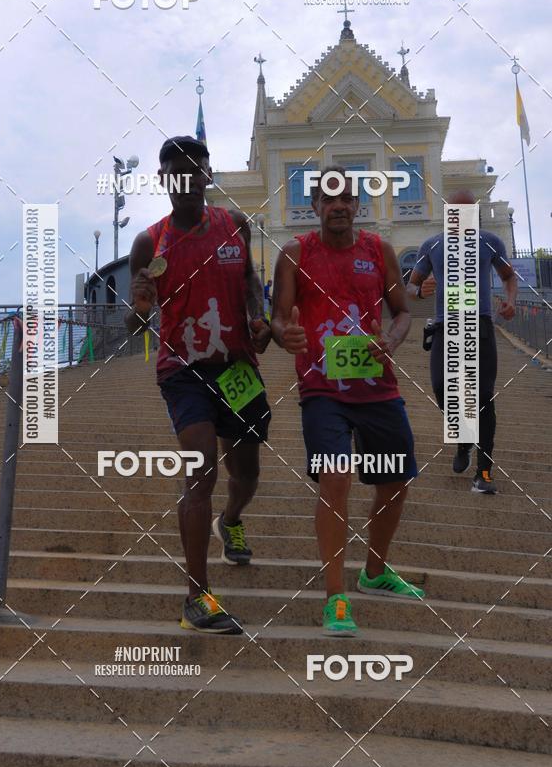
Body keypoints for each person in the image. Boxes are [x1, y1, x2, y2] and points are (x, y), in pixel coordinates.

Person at [125, 136, 272, 634]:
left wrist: (258, 317)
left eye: (195, 170)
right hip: (183, 371)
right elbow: (132, 322)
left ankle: (231, 518)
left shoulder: (235, 225)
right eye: (175, 173)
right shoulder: (150, 242)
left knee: (246, 472)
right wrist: (141, 308)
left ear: (208, 175)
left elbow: (251, 281)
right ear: (164, 181)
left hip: (237, 366)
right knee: (200, 473)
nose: (186, 181)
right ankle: (197, 598)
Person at [271, 166, 424, 637]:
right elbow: (277, 318)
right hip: (322, 389)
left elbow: (401, 312)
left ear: (358, 205)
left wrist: (393, 340)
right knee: (335, 476)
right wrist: (287, 334)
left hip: (377, 386)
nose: (338, 206)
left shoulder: (380, 252)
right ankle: (336, 597)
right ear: (314, 205)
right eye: (327, 198)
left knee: (395, 482)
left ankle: (374, 572)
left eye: (346, 198)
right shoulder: (295, 254)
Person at [408, 189, 517, 494]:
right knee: (443, 388)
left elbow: (509, 277)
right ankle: (463, 439)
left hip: (479, 324)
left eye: (468, 212)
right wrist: (420, 292)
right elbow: (410, 286)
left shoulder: (489, 242)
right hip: (445, 326)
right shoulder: (433, 245)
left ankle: (483, 472)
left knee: (482, 397)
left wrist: (509, 301)